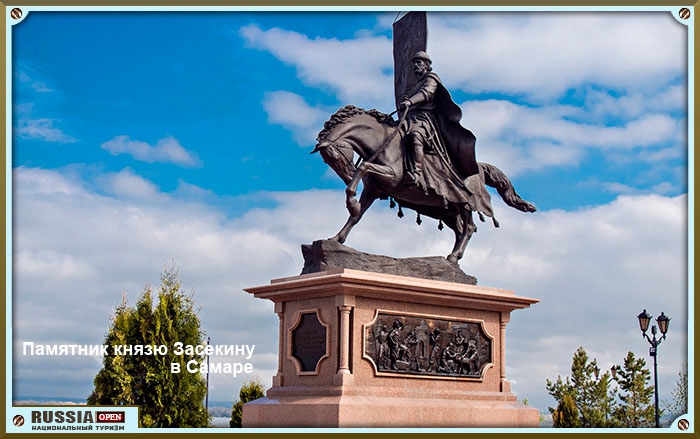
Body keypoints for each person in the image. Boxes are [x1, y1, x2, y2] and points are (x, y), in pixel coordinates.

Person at [398, 51, 480, 196]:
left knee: (416, 135)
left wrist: (410, 101)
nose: (415, 65)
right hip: (410, 118)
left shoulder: (431, 79)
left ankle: (416, 172)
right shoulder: (415, 85)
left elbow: (426, 93)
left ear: (426, 65)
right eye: (414, 63)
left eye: (419, 62)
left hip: (424, 120)